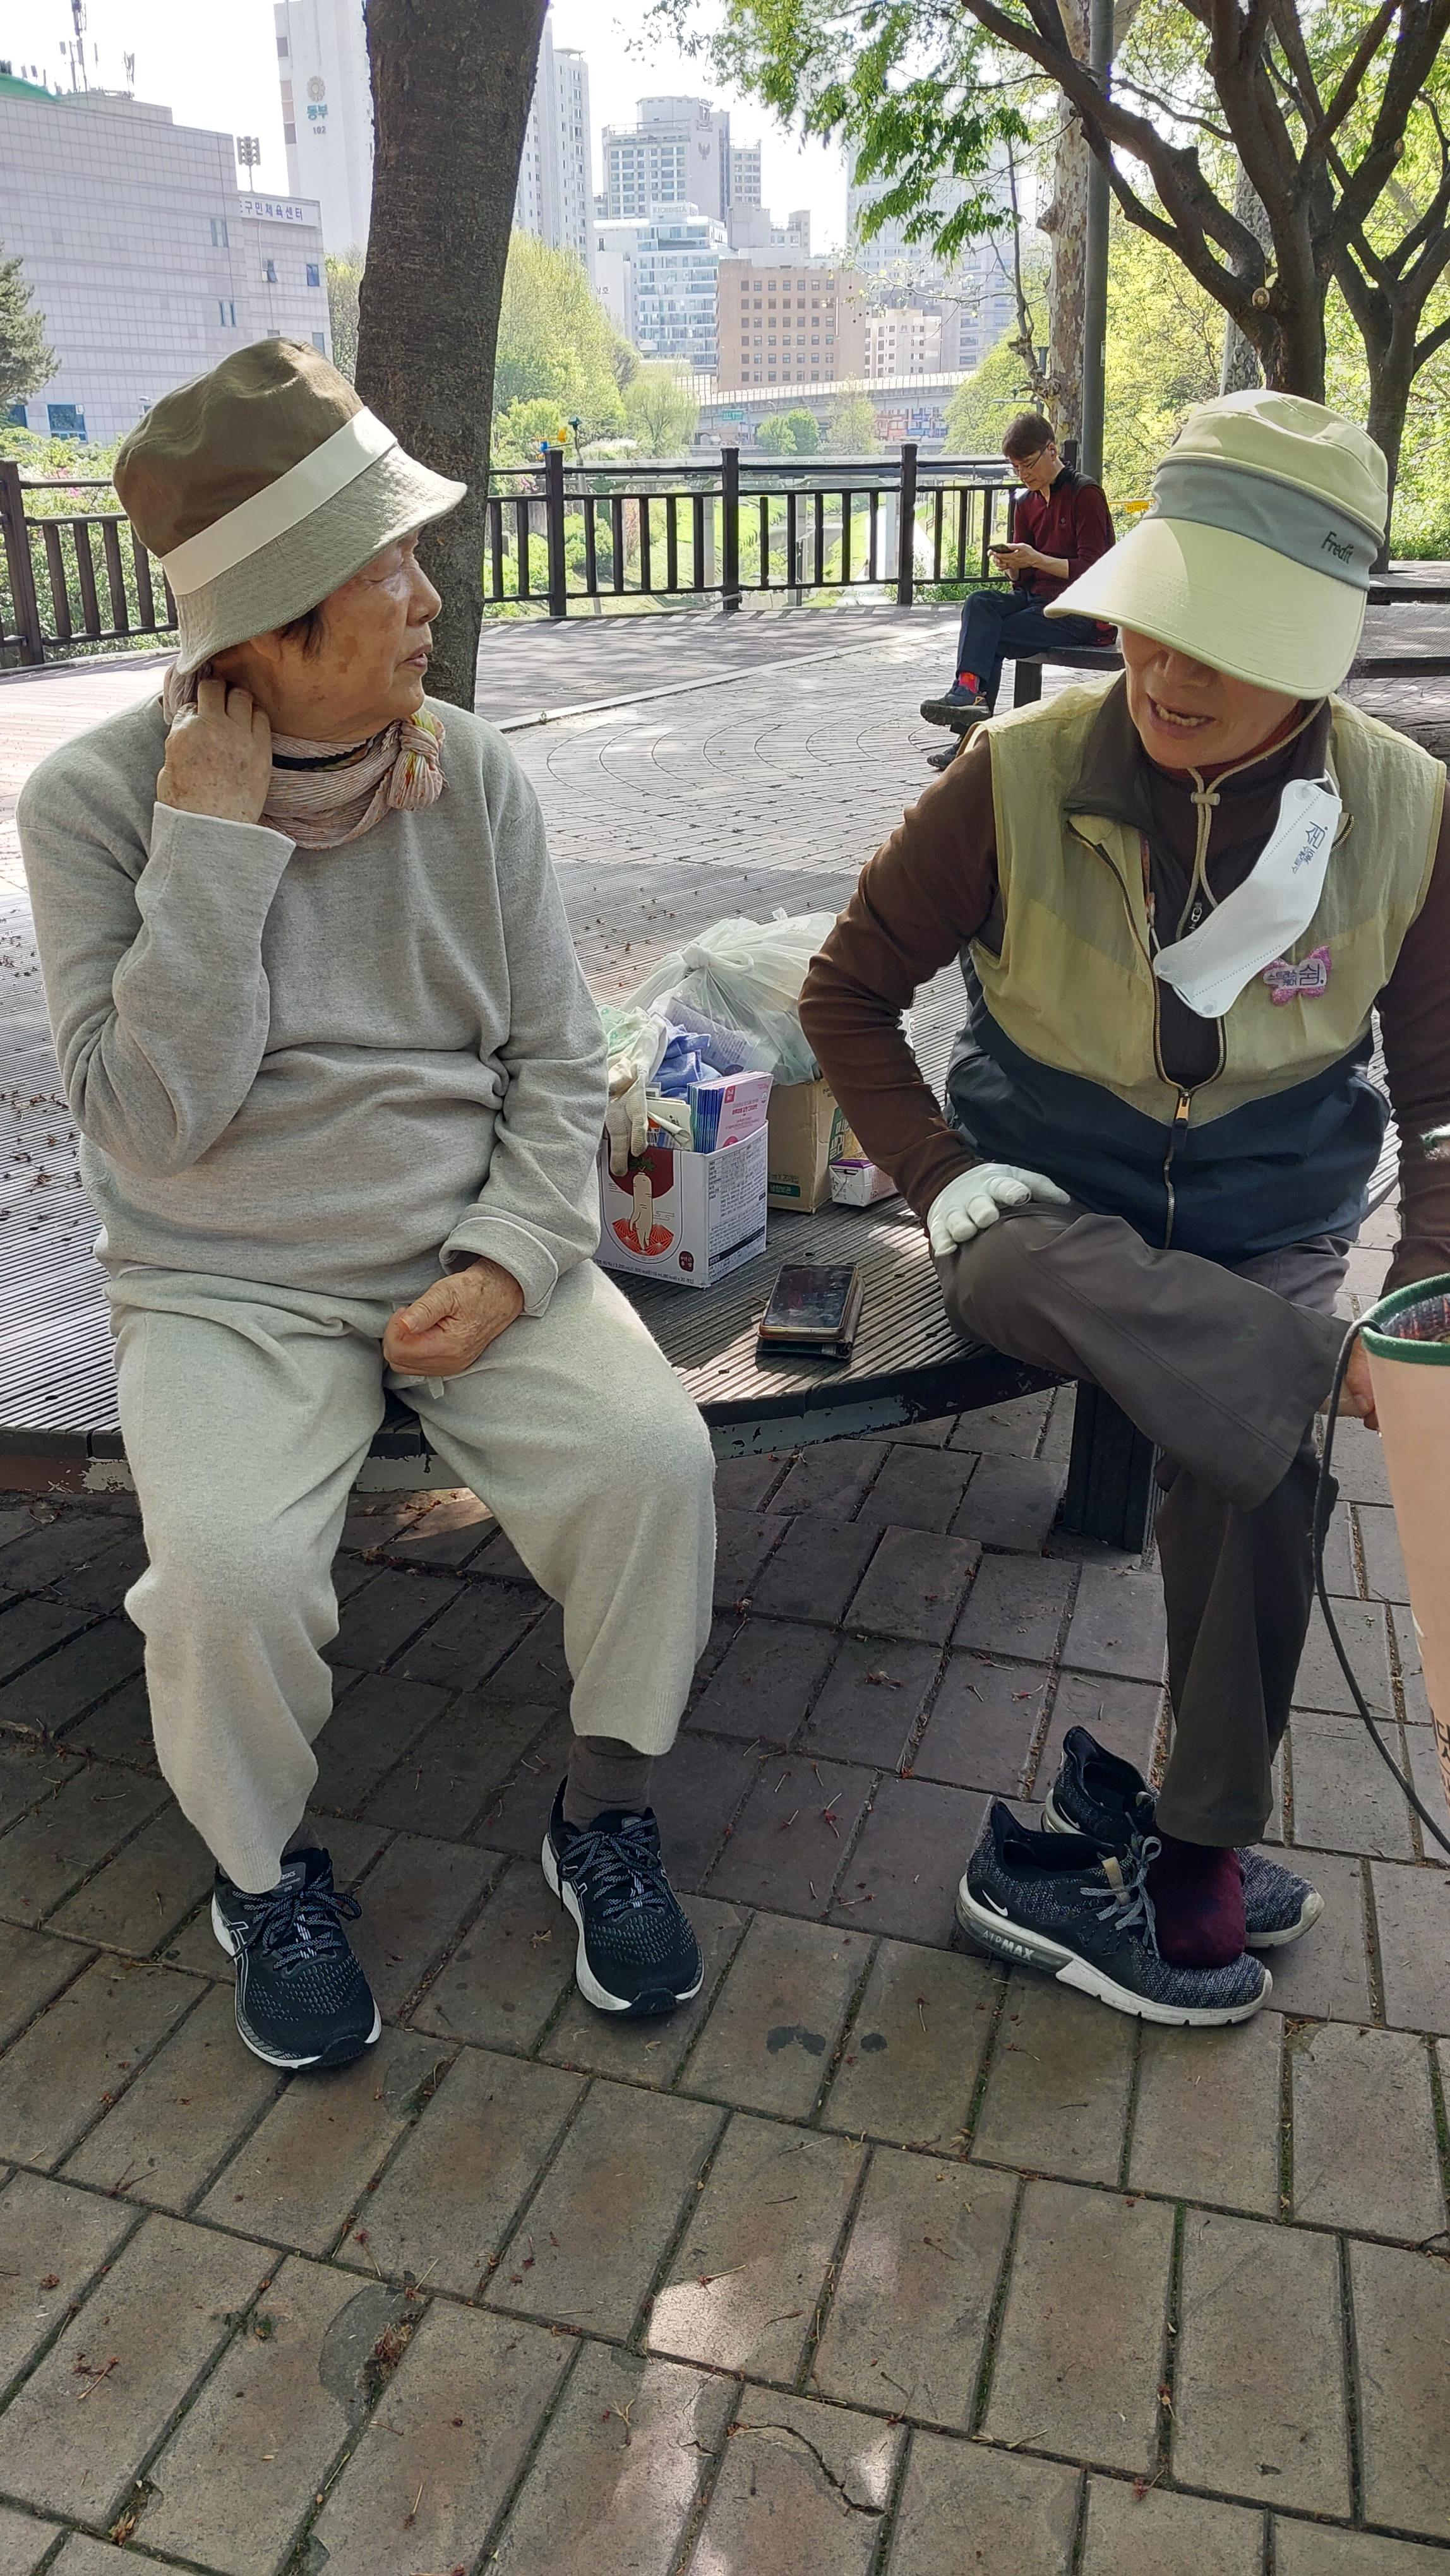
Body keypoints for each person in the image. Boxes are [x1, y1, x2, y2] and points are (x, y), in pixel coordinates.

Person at [18, 340, 716, 2071]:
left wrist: (513, 1257)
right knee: (227, 1574)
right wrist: (213, 845)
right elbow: (149, 1122)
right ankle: (264, 1876)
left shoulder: (473, 773)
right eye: (384, 568)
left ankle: (604, 1811)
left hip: (468, 1238)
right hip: (219, 1278)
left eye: (414, 556)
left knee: (655, 1465)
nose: (427, 598)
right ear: (264, 629)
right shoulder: (90, 806)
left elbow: (559, 1056)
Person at [801, 388, 1450, 2027]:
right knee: (1241, 1373)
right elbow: (844, 995)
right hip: (1038, 1211)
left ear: (1320, 652)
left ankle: (1193, 1852)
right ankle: (1302, 1389)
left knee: (1254, 1456)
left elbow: (1444, 1097)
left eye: (1228, 642)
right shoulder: (1013, 772)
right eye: (1157, 621)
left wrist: (1419, 1292)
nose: (1165, 673)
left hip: (1270, 1216)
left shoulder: (1409, 808)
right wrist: (938, 1172)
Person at [919, 411, 1115, 742]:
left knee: (989, 637)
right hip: (1035, 600)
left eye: (1028, 465)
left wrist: (1036, 558)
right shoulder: (1025, 504)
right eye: (1016, 468)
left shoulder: (1085, 495)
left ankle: (969, 731)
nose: (1024, 475)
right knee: (980, 603)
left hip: (1079, 610)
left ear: (1051, 450)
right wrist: (1012, 565)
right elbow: (1023, 580)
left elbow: (1093, 568)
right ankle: (968, 696)